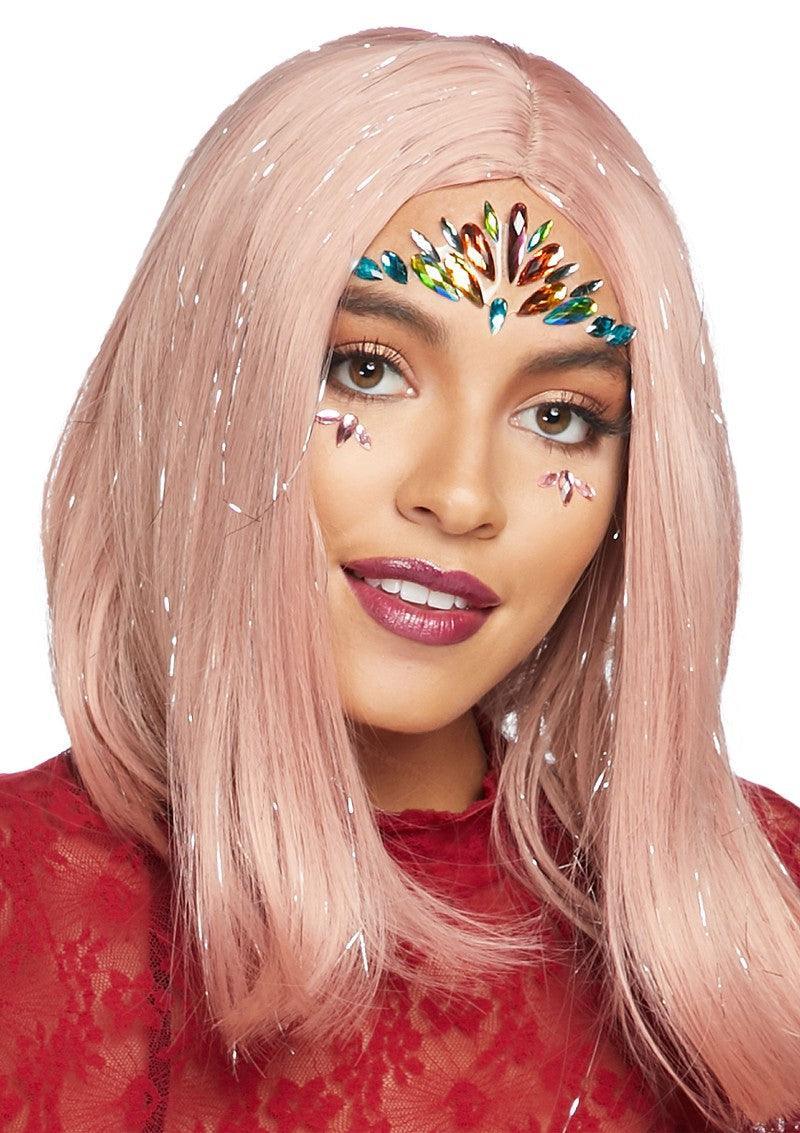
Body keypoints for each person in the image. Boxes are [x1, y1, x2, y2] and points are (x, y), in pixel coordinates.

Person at [1, 25, 799, 1133]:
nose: (460, 494)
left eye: (558, 415)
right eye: (368, 368)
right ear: (206, 388)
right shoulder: (28, 901)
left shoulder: (767, 911)